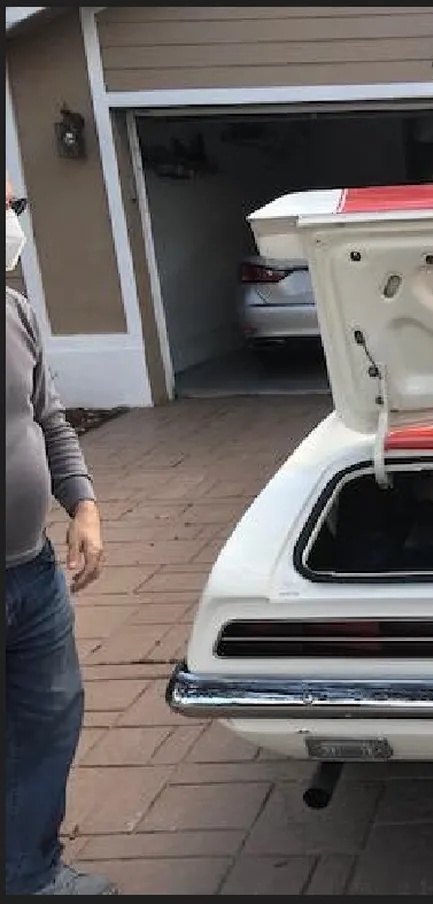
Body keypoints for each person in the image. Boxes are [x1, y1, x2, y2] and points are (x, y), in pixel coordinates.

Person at [6, 175, 116, 895]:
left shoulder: (14, 310)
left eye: (15, 207)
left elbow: (46, 418)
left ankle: (29, 875)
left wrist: (83, 504)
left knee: (47, 728)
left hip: (32, 573)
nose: (13, 218)